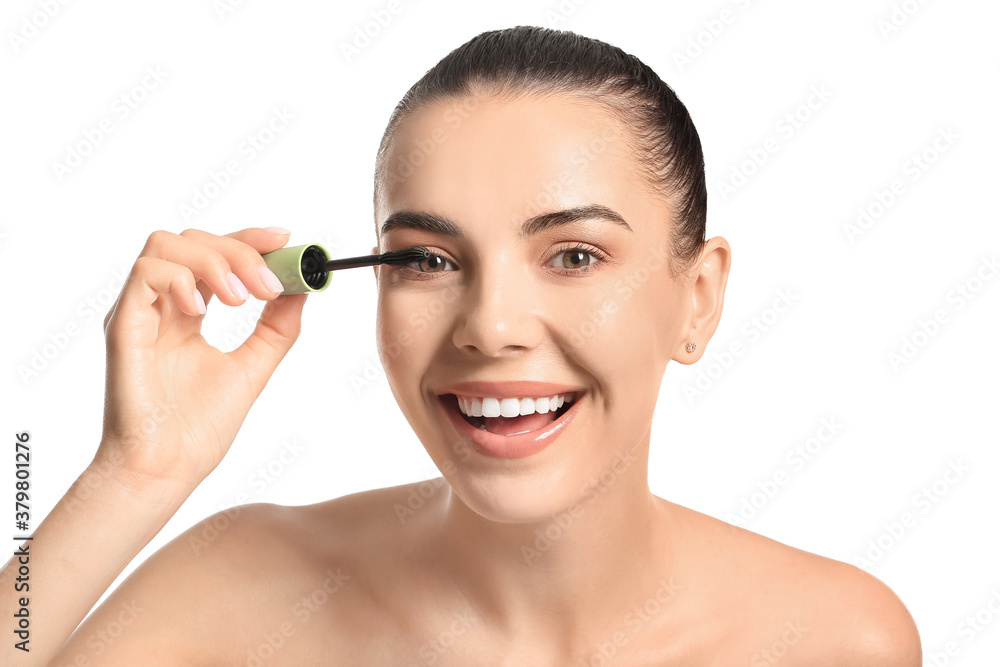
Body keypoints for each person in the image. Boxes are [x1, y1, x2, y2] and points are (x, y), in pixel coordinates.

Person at [3, 25, 921, 665]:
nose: (489, 325)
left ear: (700, 297)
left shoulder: (836, 640)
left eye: (572, 253)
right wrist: (131, 477)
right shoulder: (242, 586)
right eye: (429, 259)